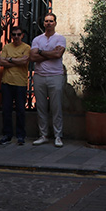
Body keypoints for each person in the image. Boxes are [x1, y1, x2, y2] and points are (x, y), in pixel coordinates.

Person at [31, 13, 67, 147]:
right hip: (39, 76)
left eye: (51, 21)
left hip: (55, 76)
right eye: (46, 21)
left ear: (55, 23)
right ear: (43, 23)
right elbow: (32, 57)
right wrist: (50, 54)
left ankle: (58, 136)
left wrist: (40, 52)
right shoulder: (37, 39)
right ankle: (43, 135)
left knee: (56, 107)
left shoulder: (60, 38)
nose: (48, 23)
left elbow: (58, 54)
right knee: (41, 107)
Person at [0, 26, 31, 145]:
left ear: (22, 35)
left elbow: (24, 62)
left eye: (18, 34)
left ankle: (20, 135)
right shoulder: (7, 47)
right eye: (14, 34)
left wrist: (10, 60)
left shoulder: (26, 47)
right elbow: (1, 62)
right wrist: (16, 60)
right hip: (7, 82)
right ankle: (7, 135)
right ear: (11, 36)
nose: (16, 37)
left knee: (20, 111)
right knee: (6, 110)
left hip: (20, 83)